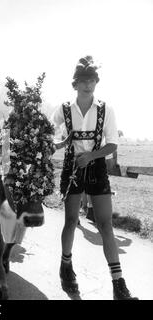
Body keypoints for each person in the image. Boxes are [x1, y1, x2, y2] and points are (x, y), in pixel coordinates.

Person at [51, 55, 137, 300]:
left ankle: (118, 284)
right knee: (70, 221)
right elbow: (47, 132)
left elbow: (112, 144)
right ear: (75, 83)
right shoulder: (64, 109)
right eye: (84, 80)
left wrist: (90, 156)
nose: (89, 85)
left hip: (96, 167)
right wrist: (59, 142)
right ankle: (66, 268)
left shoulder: (106, 109)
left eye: (92, 81)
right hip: (72, 167)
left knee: (105, 224)